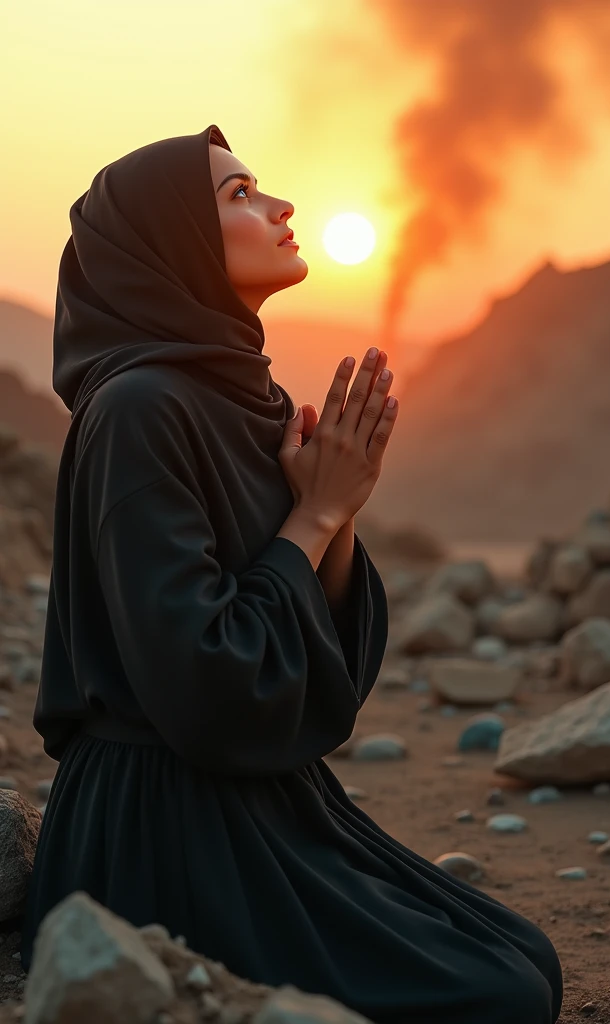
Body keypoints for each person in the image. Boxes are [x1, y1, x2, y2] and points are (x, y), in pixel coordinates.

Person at [19, 124, 563, 1024]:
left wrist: (337, 508)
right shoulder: (136, 411)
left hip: (266, 793)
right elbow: (201, 679)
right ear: (172, 246)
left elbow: (324, 672)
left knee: (529, 961)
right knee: (498, 996)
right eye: (237, 196)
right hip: (164, 820)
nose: (280, 206)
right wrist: (310, 518)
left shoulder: (251, 397)